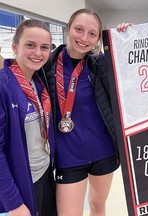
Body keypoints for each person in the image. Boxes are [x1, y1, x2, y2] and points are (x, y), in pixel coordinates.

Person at [42, 9, 131, 216]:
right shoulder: (47, 66)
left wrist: (128, 39)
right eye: (79, 29)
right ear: (68, 29)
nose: (84, 38)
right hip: (68, 156)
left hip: (104, 151)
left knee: (98, 205)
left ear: (98, 38)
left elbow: (131, 70)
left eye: (92, 33)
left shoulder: (100, 64)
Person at [0, 19, 56, 216]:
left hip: (44, 175)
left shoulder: (39, 82)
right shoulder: (3, 86)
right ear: (14, 46)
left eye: (44, 47)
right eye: (30, 45)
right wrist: (13, 204)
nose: (38, 53)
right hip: (20, 184)